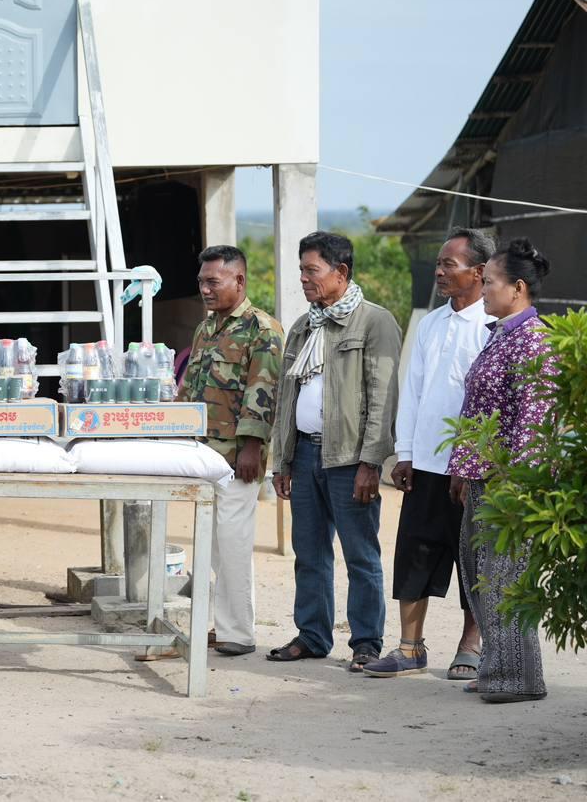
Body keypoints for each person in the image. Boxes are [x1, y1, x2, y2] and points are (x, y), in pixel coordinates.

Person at [363, 229, 495, 680]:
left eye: (448, 264)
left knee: (473, 560)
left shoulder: (492, 325)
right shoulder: (431, 323)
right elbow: (414, 391)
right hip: (425, 465)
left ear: (478, 272)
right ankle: (409, 647)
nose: (438, 272)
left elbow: (491, 405)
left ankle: (470, 646)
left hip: (472, 469)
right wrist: (405, 453)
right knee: (414, 553)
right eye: (438, 263)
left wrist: (472, 460)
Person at [268, 231, 400, 671]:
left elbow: (383, 397)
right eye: (301, 270)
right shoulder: (304, 326)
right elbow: (287, 399)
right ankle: (312, 636)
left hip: (350, 460)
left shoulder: (374, 322)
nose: (304, 279)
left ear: (341, 272)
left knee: (361, 555)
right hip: (305, 455)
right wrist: (282, 459)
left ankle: (366, 643)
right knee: (309, 554)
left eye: (312, 270)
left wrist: (371, 463)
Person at [446, 237, 554, 703]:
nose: (483, 289)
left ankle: (517, 679)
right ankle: (500, 667)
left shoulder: (534, 340)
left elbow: (534, 421)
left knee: (503, 578)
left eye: (490, 282)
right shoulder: (502, 334)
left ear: (518, 288)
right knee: (480, 574)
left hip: (509, 485)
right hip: (482, 479)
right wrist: (464, 469)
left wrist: (515, 486)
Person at [176, 245, 284, 656]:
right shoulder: (207, 328)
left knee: (235, 545)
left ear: (239, 280)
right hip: (202, 452)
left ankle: (238, 633)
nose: (204, 289)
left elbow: (264, 390)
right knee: (214, 545)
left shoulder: (262, 329)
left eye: (212, 282)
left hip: (238, 456)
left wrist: (252, 446)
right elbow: (191, 387)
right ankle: (223, 626)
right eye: (201, 282)